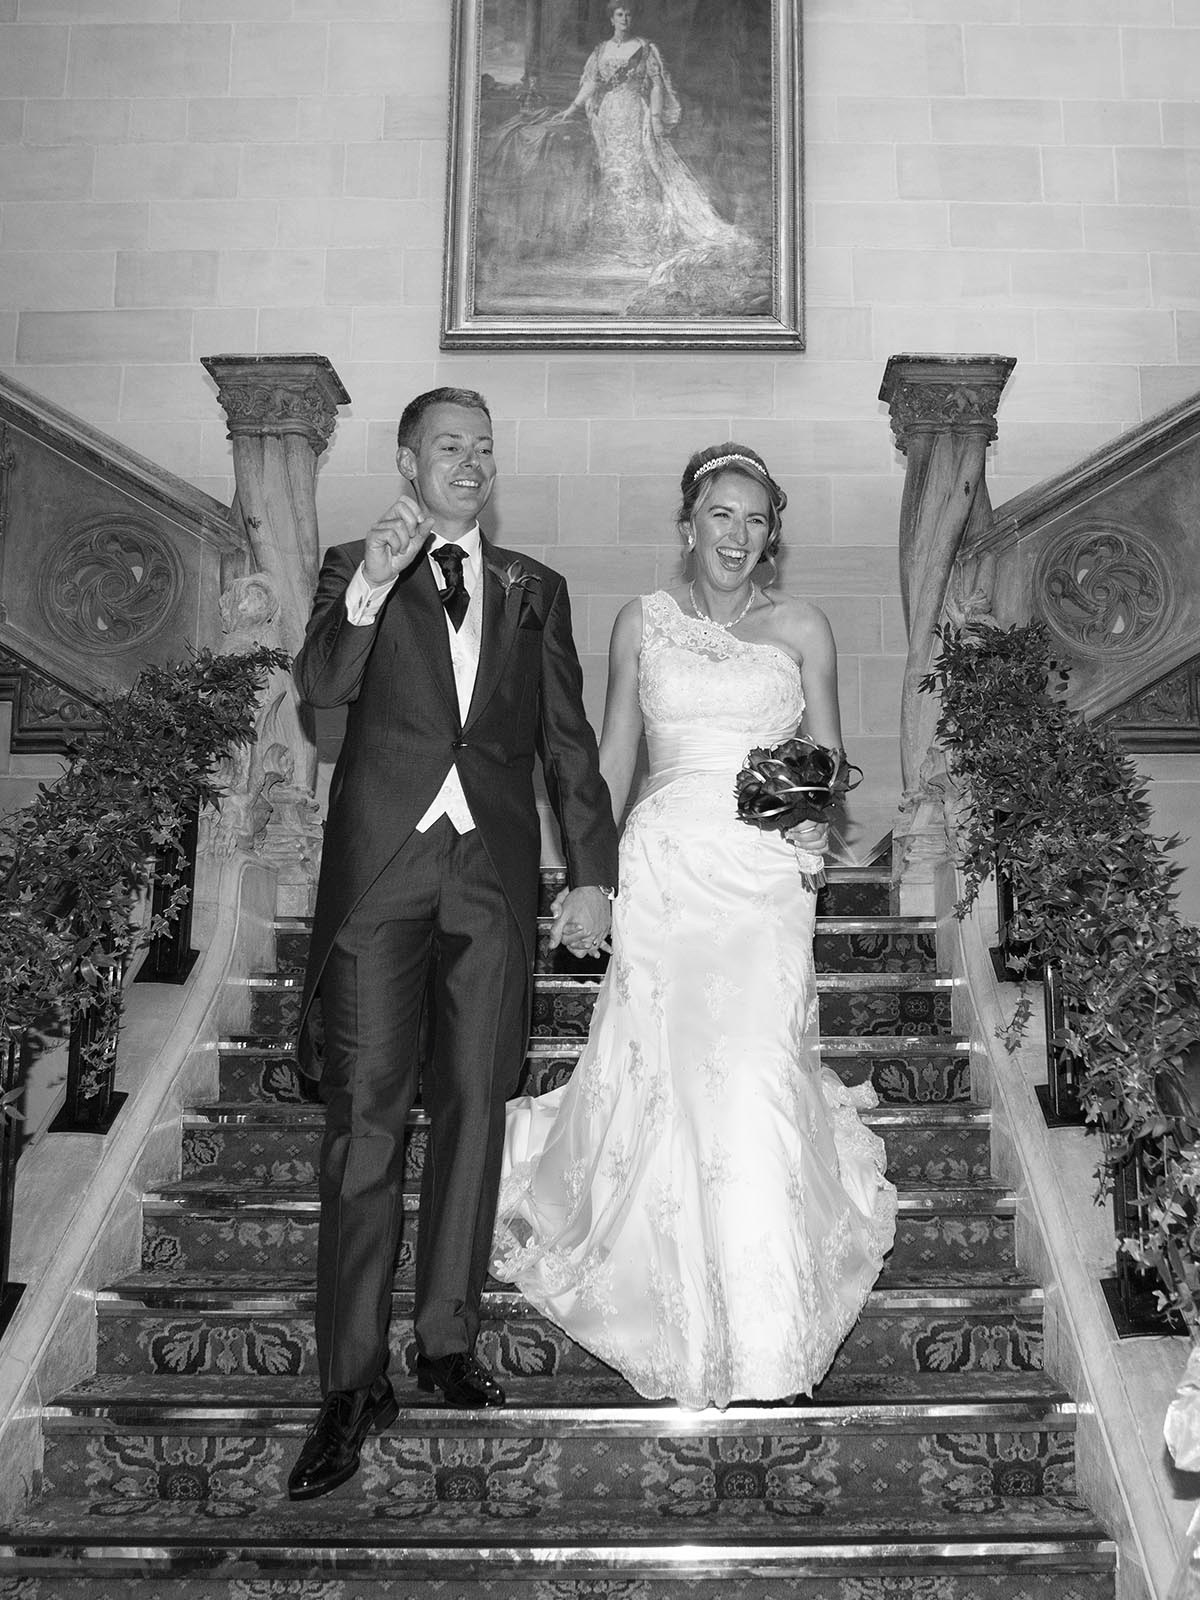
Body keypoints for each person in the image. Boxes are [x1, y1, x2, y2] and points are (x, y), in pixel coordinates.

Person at [491, 443, 898, 1410]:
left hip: (761, 878)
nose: (738, 535)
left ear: (772, 541)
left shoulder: (804, 627)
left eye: (757, 520)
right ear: (689, 526)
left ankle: (763, 1329)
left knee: (753, 1072)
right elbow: (608, 759)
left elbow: (828, 759)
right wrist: (592, 878)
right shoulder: (644, 622)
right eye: (722, 514)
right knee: (669, 1080)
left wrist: (808, 818)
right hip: (667, 867)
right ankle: (673, 1305)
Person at [286, 387, 619, 1499]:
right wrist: (375, 582)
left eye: (484, 446)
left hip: (489, 885)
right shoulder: (351, 565)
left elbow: (569, 746)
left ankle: (443, 1341)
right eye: (448, 447)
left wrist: (594, 875)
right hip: (381, 880)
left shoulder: (537, 590)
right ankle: (349, 1383)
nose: (469, 462)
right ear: (406, 460)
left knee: (478, 1109)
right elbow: (322, 687)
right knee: (365, 1127)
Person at [552, 2, 747, 266]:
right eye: (620, 14)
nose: (625, 19)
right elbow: (592, 83)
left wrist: (655, 118)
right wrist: (572, 108)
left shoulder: (645, 48)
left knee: (637, 171)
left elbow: (656, 86)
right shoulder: (601, 50)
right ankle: (613, 240)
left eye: (629, 14)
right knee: (613, 172)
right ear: (611, 19)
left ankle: (640, 240)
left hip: (634, 114)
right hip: (609, 117)